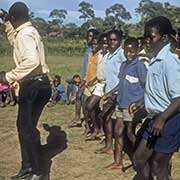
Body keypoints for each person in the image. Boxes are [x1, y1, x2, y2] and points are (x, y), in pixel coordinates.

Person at [0, 2, 51, 180]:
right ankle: (28, 167)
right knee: (25, 127)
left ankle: (37, 171)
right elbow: (17, 44)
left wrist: (8, 76)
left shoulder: (25, 34)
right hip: (41, 84)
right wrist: (7, 24)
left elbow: (32, 60)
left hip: (33, 85)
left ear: (14, 18)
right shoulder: (29, 32)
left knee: (27, 129)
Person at [130, 16, 180, 180]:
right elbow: (158, 90)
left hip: (169, 119)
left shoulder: (169, 62)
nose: (147, 41)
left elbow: (178, 96)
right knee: (138, 160)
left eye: (151, 37)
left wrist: (163, 118)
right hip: (155, 118)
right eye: (146, 37)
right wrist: (143, 102)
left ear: (164, 38)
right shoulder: (156, 60)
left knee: (160, 167)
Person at [103, 37, 147, 169]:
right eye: (127, 52)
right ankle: (118, 161)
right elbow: (121, 83)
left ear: (137, 50)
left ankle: (140, 159)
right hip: (120, 103)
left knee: (129, 132)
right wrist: (110, 93)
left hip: (131, 106)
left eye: (132, 52)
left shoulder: (140, 66)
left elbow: (147, 86)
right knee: (118, 132)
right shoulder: (123, 65)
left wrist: (140, 102)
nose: (129, 54)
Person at [96, 29, 126, 155]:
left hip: (119, 92)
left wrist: (111, 92)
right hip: (109, 91)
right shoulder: (109, 54)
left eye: (115, 40)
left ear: (120, 41)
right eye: (110, 40)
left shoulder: (122, 54)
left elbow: (124, 77)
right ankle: (109, 146)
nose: (112, 42)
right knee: (107, 118)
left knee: (122, 123)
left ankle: (124, 150)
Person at [70, 28, 99, 126]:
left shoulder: (96, 50)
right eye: (88, 36)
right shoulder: (89, 49)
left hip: (93, 80)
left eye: (91, 36)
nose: (89, 38)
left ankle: (88, 121)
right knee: (79, 96)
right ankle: (79, 118)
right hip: (86, 78)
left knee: (84, 99)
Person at [84, 33, 109, 138]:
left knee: (97, 108)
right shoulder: (100, 55)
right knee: (90, 106)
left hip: (107, 84)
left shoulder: (110, 55)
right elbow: (99, 72)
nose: (104, 45)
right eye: (103, 43)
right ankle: (97, 129)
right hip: (99, 83)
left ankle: (101, 130)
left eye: (106, 43)